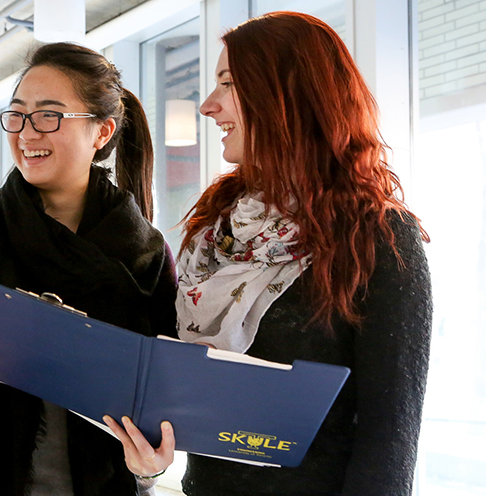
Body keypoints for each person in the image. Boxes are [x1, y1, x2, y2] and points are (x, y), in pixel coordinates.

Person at [108, 11, 432, 495]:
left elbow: (389, 440)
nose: (208, 106)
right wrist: (150, 459)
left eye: (228, 84)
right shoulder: (215, 228)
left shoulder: (377, 235)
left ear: (289, 97)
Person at [0, 42, 178, 495]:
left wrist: (151, 466)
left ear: (102, 132)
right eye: (17, 115)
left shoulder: (146, 255)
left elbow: (162, 412)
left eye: (48, 115)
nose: (26, 133)